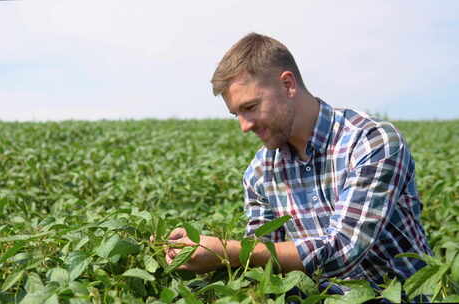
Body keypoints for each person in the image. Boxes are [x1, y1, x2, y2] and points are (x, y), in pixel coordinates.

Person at [163, 32, 432, 292]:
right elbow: (260, 260)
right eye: (237, 115)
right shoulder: (260, 173)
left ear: (288, 84)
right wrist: (197, 248)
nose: (244, 126)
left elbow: (343, 250)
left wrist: (226, 250)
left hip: (405, 295)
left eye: (250, 107)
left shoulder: (371, 142)